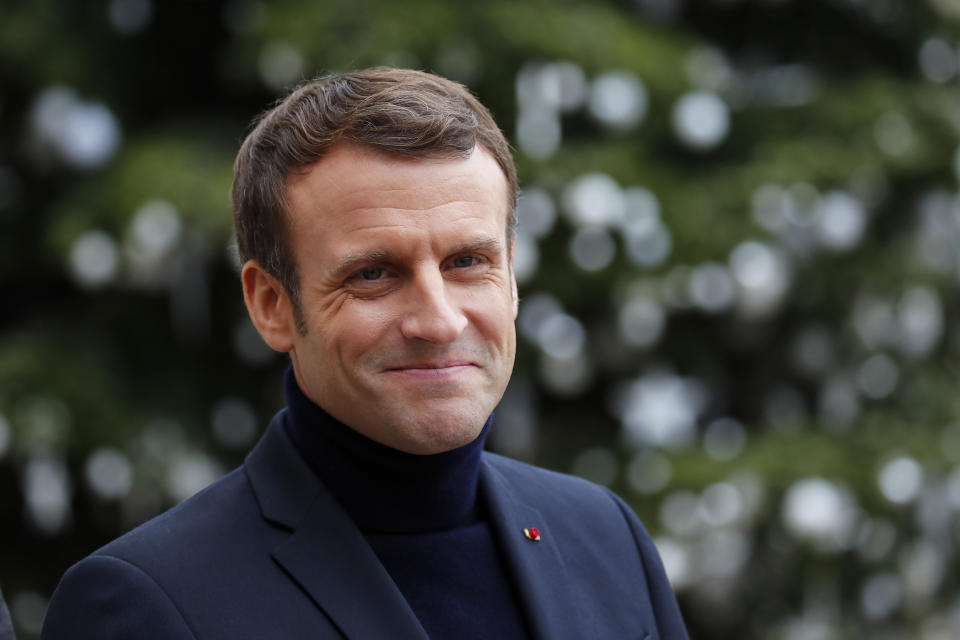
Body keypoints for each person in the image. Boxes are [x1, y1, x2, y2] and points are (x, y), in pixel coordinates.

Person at [42, 68, 688, 639]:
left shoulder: (604, 538)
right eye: (374, 274)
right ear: (271, 304)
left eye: (468, 262)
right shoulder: (146, 602)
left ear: (512, 276)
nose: (437, 320)